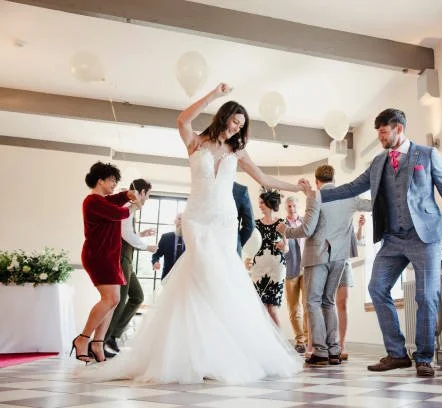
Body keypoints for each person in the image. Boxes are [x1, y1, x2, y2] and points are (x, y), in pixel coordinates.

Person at [82, 83, 302, 384]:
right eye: (234, 121)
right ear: (223, 117)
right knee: (201, 273)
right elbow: (182, 120)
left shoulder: (238, 151)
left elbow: (263, 177)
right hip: (197, 217)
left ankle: (217, 352)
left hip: (224, 221)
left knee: (217, 279)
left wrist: (298, 188)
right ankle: (193, 353)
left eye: (241, 125)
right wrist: (215, 94)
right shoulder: (196, 142)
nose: (236, 128)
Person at [301, 108, 442, 377]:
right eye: (379, 134)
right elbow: (351, 188)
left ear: (398, 128)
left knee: (427, 296)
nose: (381, 138)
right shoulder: (378, 163)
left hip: (425, 237)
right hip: (393, 239)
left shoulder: (427, 155)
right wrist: (316, 195)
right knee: (377, 287)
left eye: (384, 132)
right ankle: (397, 354)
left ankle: (423, 358)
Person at [278, 165, 371, 366]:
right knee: (328, 302)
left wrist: (285, 230)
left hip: (317, 256)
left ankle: (320, 351)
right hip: (340, 257)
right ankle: (334, 350)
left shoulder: (317, 196)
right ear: (333, 178)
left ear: (317, 180)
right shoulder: (349, 197)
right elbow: (372, 205)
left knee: (313, 302)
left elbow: (307, 229)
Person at [73, 162, 140, 363]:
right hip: (98, 255)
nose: (113, 184)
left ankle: (97, 344)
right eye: (111, 180)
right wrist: (134, 205)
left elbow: (116, 200)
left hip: (109, 256)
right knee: (109, 299)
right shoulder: (92, 201)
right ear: (100, 180)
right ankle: (83, 338)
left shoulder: (103, 200)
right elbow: (118, 213)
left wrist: (126, 195)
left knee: (115, 300)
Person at [104, 179, 158, 356]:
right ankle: (106, 339)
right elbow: (124, 233)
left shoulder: (130, 206)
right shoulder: (128, 204)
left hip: (127, 258)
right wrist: (146, 246)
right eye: (148, 195)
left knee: (137, 296)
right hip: (121, 258)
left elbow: (126, 231)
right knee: (120, 298)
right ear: (141, 192)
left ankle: (113, 335)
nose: (147, 199)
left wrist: (141, 234)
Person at [250, 189, 288, 326]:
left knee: (272, 309)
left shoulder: (282, 223)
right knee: (260, 308)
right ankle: (265, 343)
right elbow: (250, 246)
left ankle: (279, 344)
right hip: (258, 269)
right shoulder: (255, 224)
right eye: (259, 203)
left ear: (269, 203)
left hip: (276, 269)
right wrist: (247, 259)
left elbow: (287, 247)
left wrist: (283, 245)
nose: (259, 205)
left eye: (262, 203)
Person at [337, 215, 365, 361]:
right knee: (325, 305)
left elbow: (357, 240)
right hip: (326, 262)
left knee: (342, 303)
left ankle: (341, 345)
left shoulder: (346, 218)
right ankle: (325, 344)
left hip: (344, 263)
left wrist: (360, 226)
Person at [282, 196, 308, 354]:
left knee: (307, 305)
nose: (292, 208)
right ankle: (300, 341)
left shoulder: (306, 222)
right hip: (290, 270)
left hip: (306, 268)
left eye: (294, 205)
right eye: (289, 206)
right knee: (293, 308)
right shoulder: (281, 226)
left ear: (298, 206)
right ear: (286, 208)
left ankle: (308, 337)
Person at [152, 213, 184, 281]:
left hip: (185, 278)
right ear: (175, 221)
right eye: (179, 219)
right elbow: (156, 254)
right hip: (167, 277)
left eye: (184, 220)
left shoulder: (191, 239)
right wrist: (155, 262)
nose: (181, 221)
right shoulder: (166, 237)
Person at [233, 182, 255, 255]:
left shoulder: (200, 186)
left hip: (204, 248)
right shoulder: (240, 190)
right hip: (233, 248)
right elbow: (250, 225)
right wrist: (237, 242)